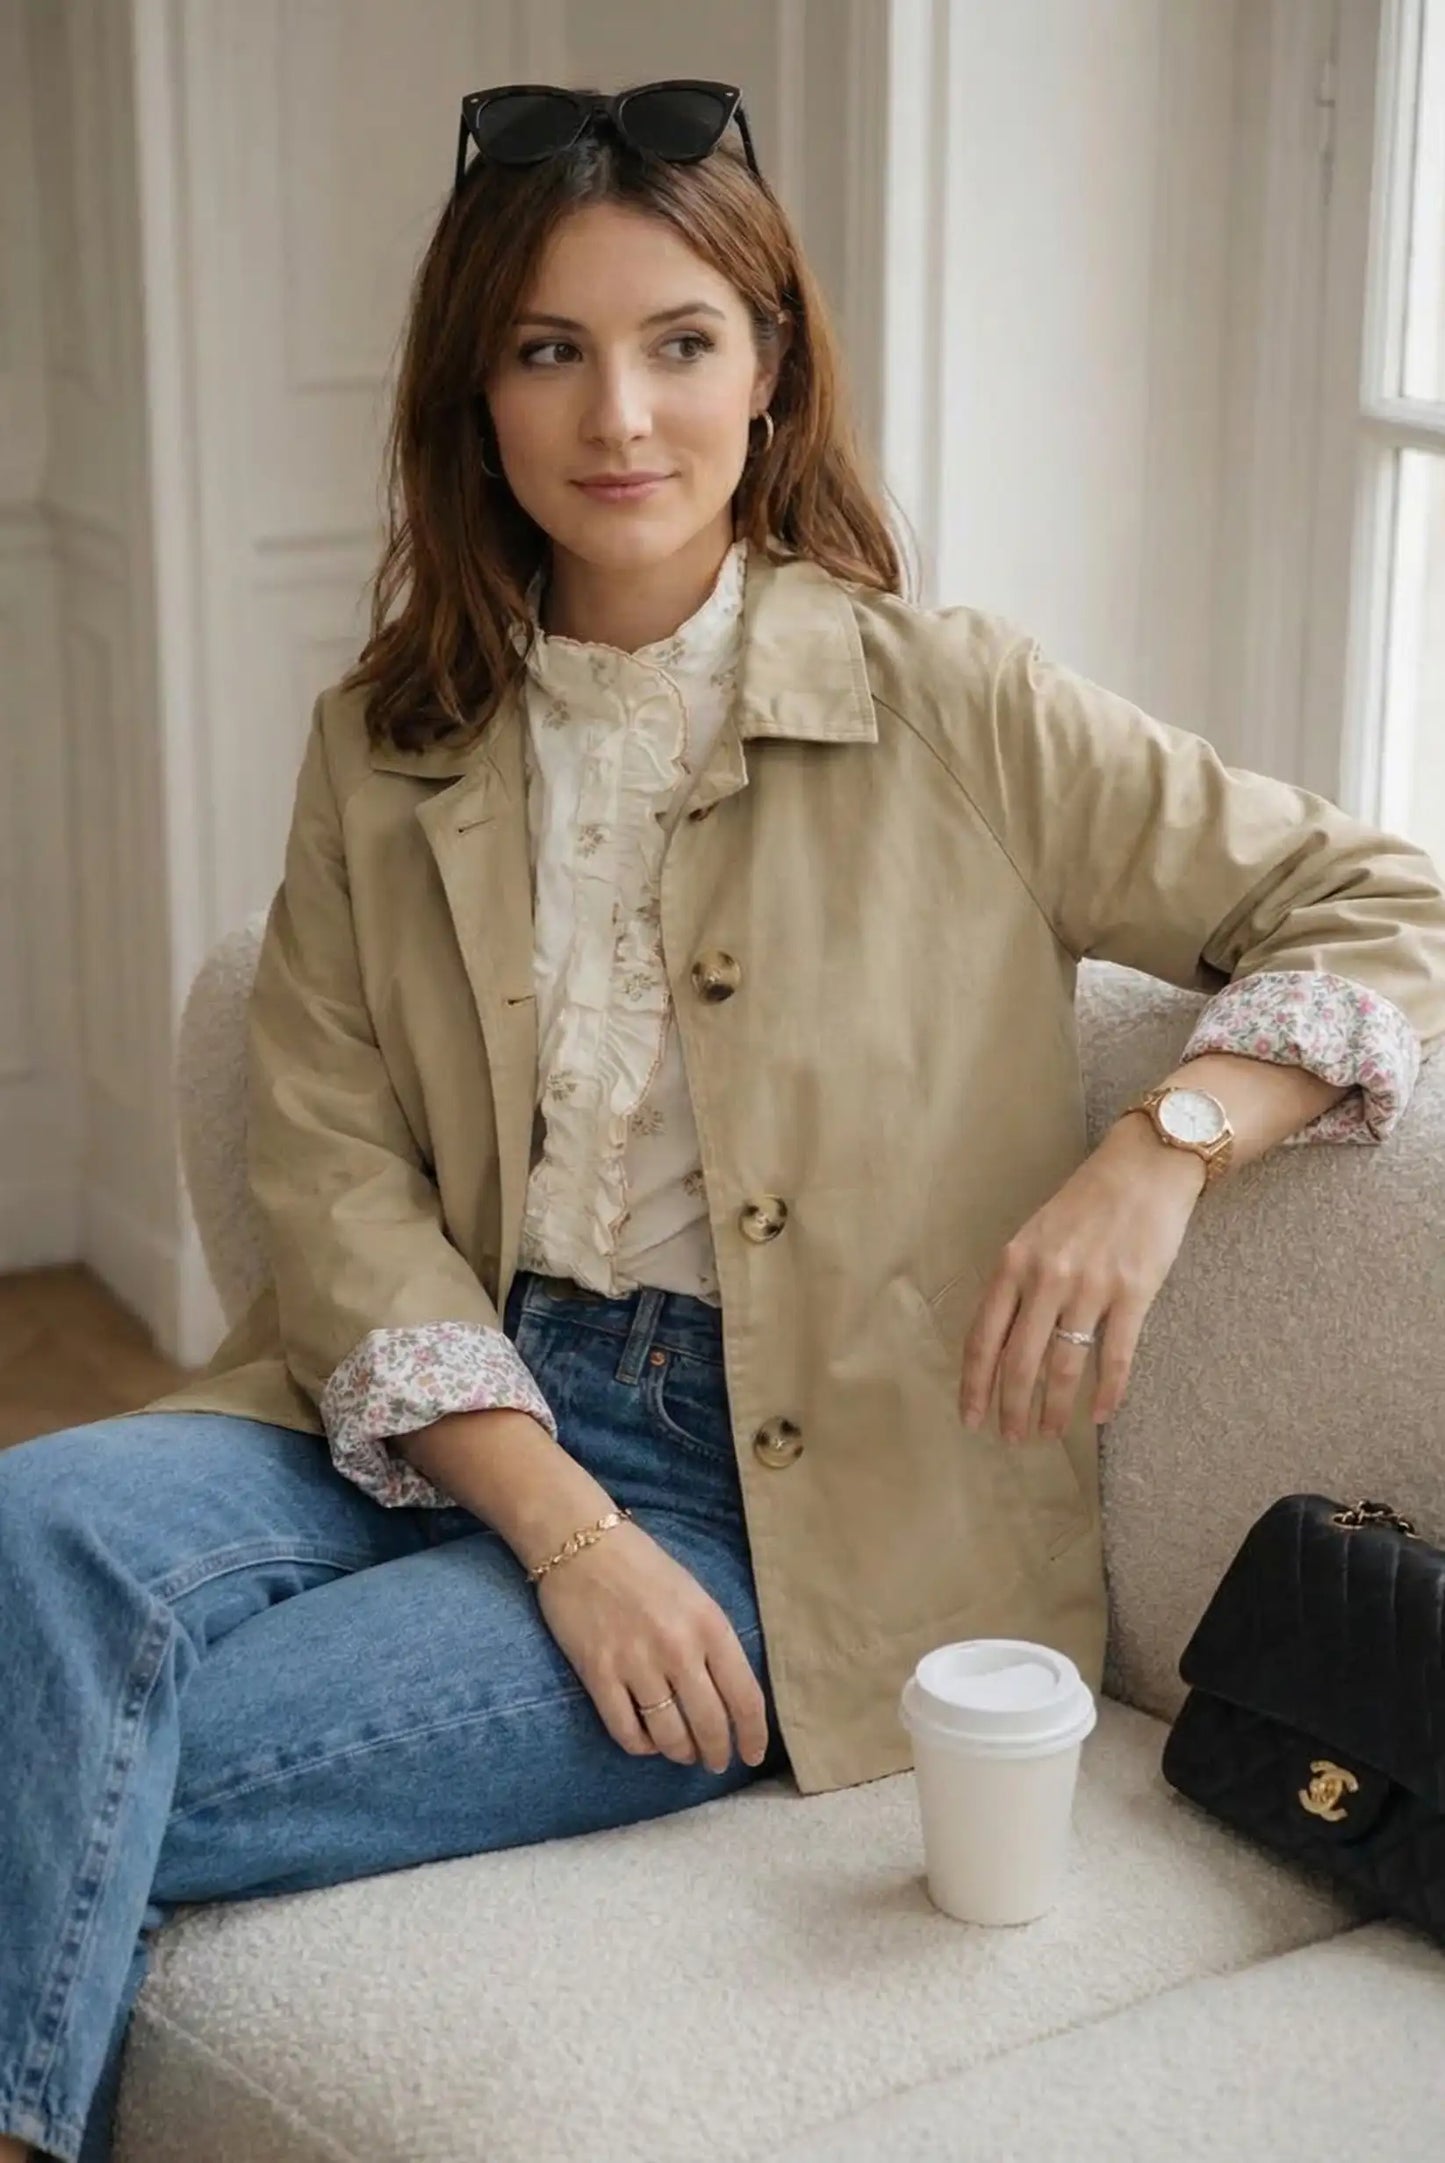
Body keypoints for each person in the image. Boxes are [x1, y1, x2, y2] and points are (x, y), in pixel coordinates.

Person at [3, 76, 1444, 2163]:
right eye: (550, 349)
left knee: (101, 1742)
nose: (621, 418)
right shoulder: (385, 743)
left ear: (771, 373)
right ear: (471, 392)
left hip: (780, 1506)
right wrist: (556, 1531)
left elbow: (1379, 892)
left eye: (683, 342)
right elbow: (325, 1155)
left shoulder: (948, 699)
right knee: (36, 1535)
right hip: (445, 1399)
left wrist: (1168, 1147)